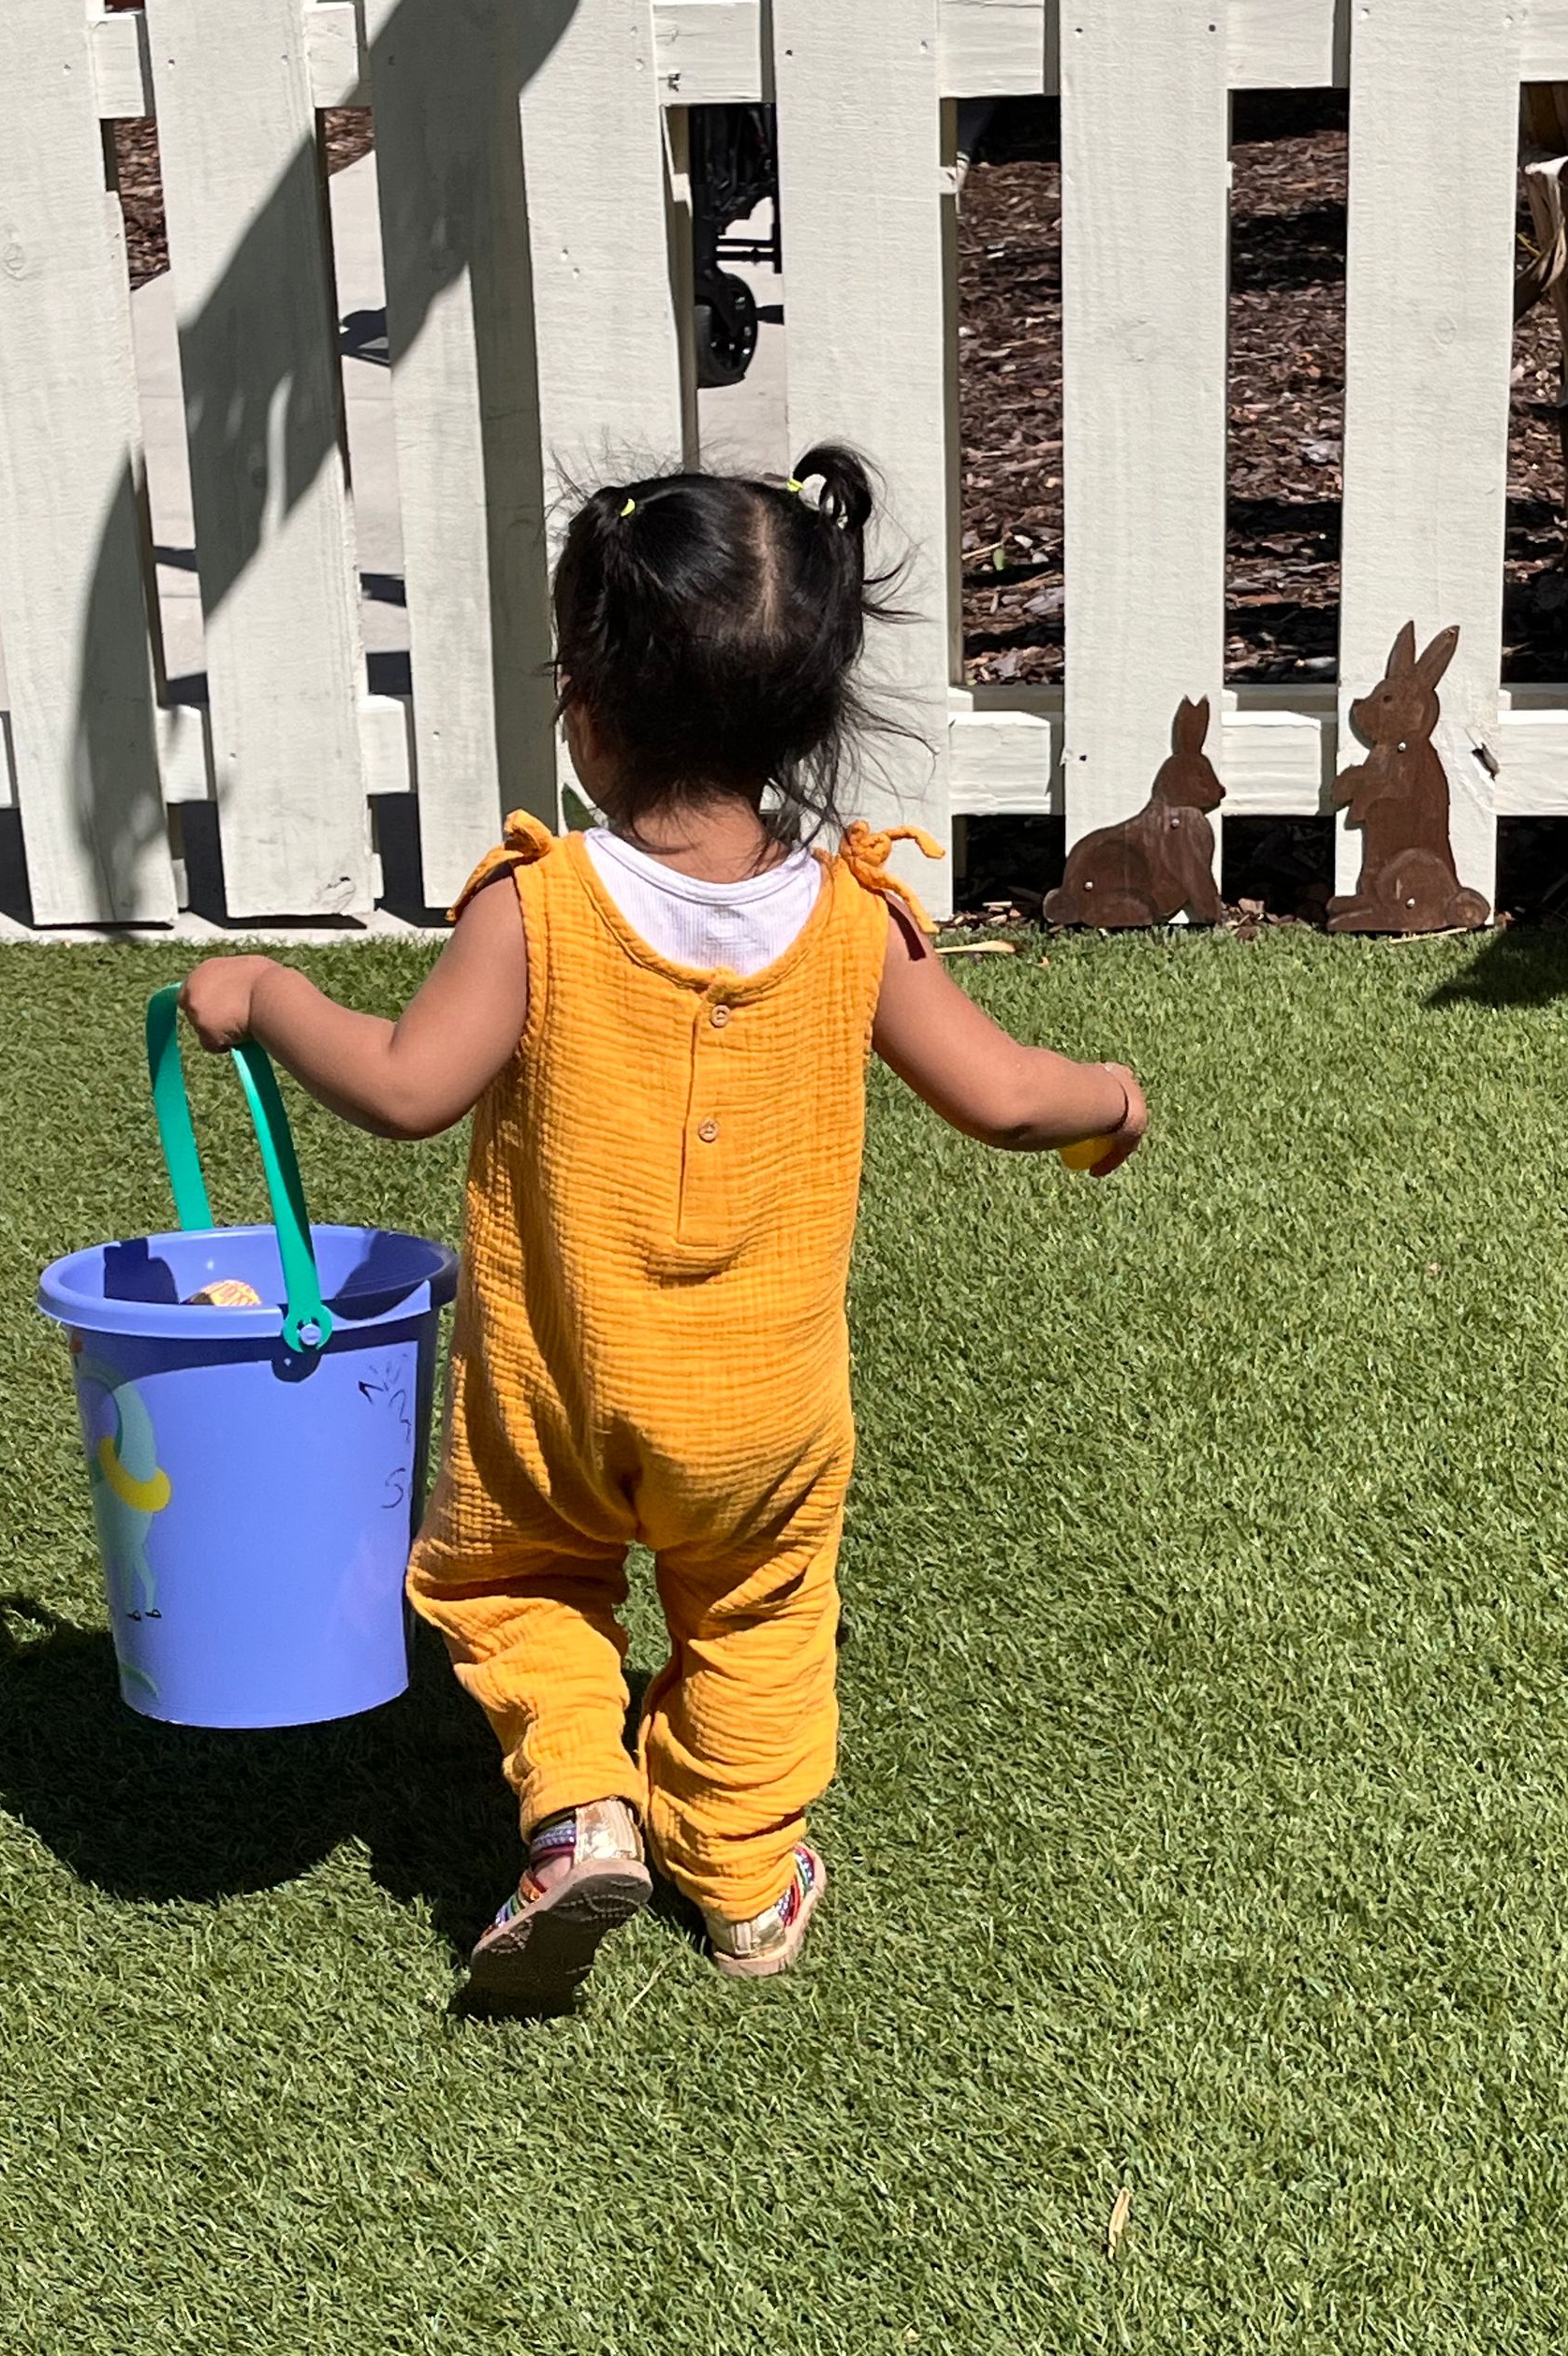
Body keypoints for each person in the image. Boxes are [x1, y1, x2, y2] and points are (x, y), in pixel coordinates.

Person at [180, 446, 1148, 2006]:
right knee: (760, 1613)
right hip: (763, 1417)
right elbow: (1004, 1095)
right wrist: (1109, 1098)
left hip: (555, 1394)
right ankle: (744, 1878)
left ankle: (580, 1808)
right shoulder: (857, 916)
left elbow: (410, 1088)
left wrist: (270, 993)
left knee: (514, 1582)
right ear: (807, 714)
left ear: (589, 706)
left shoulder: (538, 906)